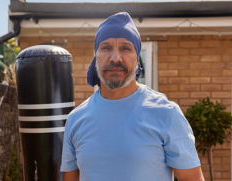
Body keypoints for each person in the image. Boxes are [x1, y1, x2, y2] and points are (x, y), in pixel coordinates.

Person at [60, 12, 205, 181]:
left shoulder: (166, 113)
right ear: (95, 59)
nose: (115, 58)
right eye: (106, 48)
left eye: (125, 48)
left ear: (138, 61)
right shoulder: (76, 119)